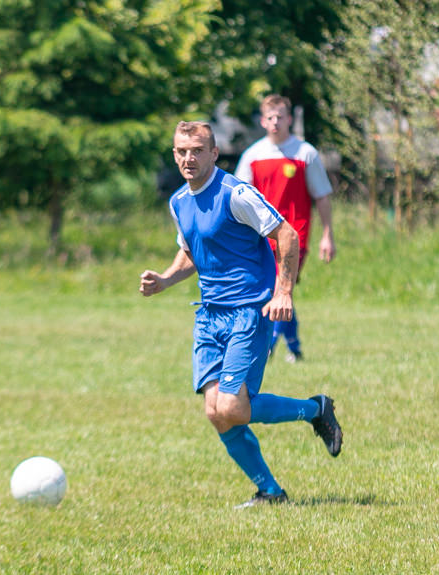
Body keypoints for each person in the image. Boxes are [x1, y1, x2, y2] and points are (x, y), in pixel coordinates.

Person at [140, 121, 343, 508]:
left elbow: (286, 234)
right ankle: (270, 492)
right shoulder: (179, 201)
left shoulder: (235, 192)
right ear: (174, 154)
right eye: (182, 151)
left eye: (197, 150)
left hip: (249, 311)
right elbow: (191, 251)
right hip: (209, 316)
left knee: (233, 407)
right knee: (216, 413)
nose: (189, 157)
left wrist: (283, 291)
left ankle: (315, 409)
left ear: (214, 153)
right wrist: (165, 280)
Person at [235, 95, 335, 363]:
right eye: (270, 117)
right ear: (262, 121)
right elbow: (239, 198)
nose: (275, 122)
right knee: (277, 290)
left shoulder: (305, 153)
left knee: (280, 287)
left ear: (290, 119)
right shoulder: (253, 156)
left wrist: (328, 234)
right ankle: (295, 347)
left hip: (295, 235)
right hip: (261, 238)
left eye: (281, 116)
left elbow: (322, 196)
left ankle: (268, 347)